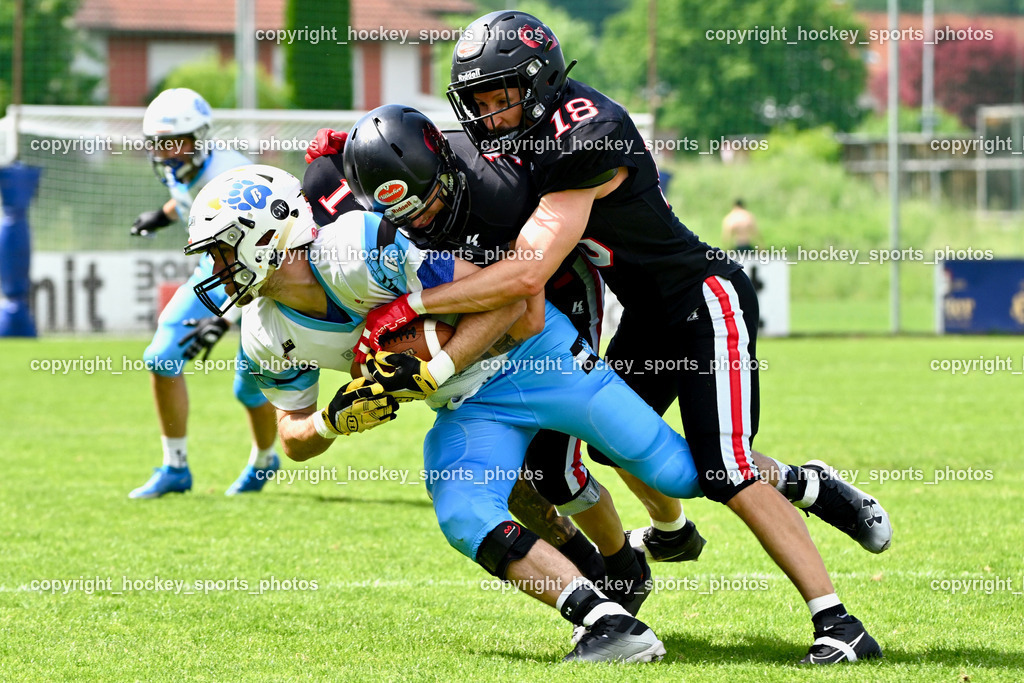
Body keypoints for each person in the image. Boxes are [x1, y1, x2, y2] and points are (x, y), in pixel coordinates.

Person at [358, 10, 890, 664]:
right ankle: (805, 485)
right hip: (644, 315)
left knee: (724, 469)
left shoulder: (587, 135)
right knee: (624, 451)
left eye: (502, 98)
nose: (491, 117)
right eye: (480, 102)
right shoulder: (519, 141)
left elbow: (527, 271)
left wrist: (414, 304)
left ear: (541, 81)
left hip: (702, 300)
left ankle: (840, 624)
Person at [181, 163, 737, 662]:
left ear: (267, 235)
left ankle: (771, 492)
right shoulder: (263, 332)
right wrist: (333, 419)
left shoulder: (357, 245)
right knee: (462, 509)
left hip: (535, 357)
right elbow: (292, 436)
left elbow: (508, 299)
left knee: (684, 473)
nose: (214, 266)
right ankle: (607, 623)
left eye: (222, 249)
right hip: (469, 403)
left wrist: (436, 367)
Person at [303, 106, 707, 612]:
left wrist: (433, 351)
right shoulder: (334, 188)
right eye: (402, 212)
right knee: (519, 478)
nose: (420, 220)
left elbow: (525, 308)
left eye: (426, 201)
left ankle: (646, 549)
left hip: (554, 291)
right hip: (471, 305)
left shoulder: (498, 184)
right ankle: (613, 561)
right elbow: (306, 235)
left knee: (559, 464)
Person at [127, 88, 279, 498]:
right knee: (161, 357)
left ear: (200, 138)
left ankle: (265, 459)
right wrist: (162, 215)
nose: (166, 153)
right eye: (159, 144)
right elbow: (187, 195)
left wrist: (223, 318)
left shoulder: (232, 178)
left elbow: (261, 259)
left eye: (175, 143)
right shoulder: (182, 168)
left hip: (265, 282)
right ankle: (174, 467)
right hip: (214, 271)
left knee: (249, 386)